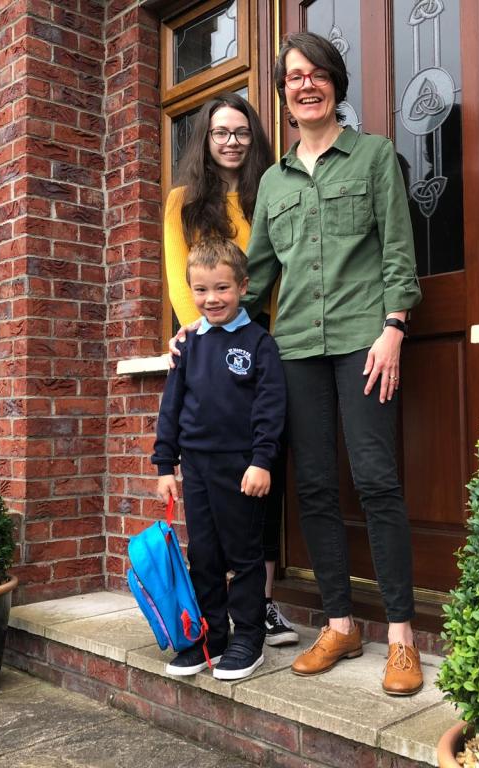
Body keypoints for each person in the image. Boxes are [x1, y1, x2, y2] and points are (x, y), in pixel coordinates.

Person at [243, 32, 424, 696]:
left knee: (377, 481)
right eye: (295, 77)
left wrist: (394, 327)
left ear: (335, 84)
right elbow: (258, 274)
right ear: (284, 94)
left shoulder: (373, 156)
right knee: (315, 488)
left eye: (317, 73)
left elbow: (398, 249)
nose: (306, 85)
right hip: (295, 348)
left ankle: (401, 636)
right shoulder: (273, 181)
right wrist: (203, 331)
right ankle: (341, 624)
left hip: (362, 342)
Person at [164, 92, 299, 648]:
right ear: (206, 139)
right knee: (213, 501)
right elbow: (180, 274)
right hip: (208, 339)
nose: (231, 141)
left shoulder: (268, 189)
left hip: (262, 334)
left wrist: (260, 324)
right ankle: (215, 618)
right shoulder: (182, 202)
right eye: (221, 132)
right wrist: (192, 328)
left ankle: (260, 605)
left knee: (262, 473)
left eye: (241, 132)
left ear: (253, 138)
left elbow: (273, 265)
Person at [153, 238, 287, 681]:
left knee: (244, 554)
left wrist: (262, 461)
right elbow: (171, 407)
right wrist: (165, 466)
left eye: (222, 288)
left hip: (242, 468)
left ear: (243, 287)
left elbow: (271, 409)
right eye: (201, 290)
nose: (212, 299)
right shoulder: (187, 345)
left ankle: (249, 637)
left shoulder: (259, 343)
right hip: (195, 468)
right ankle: (211, 637)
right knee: (204, 555)